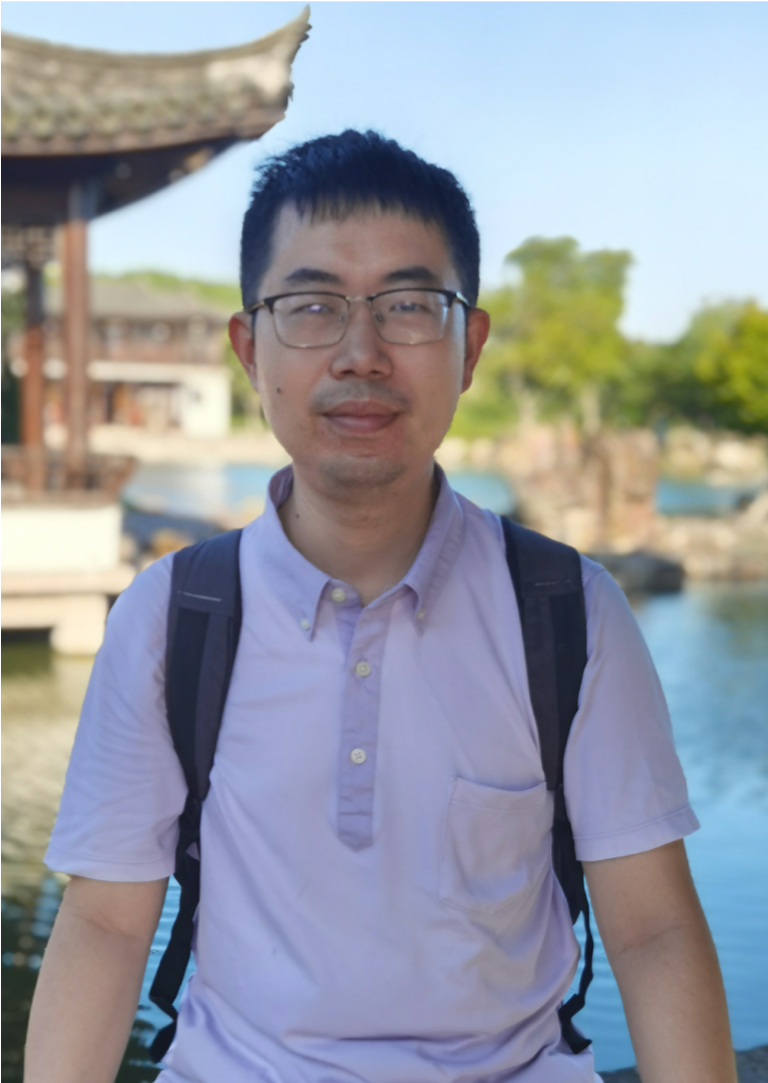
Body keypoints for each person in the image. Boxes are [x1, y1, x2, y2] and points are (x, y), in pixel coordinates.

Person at [25, 131, 736, 1083]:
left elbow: (651, 929)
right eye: (312, 306)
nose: (361, 354)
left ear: (468, 346)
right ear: (249, 348)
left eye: (407, 306)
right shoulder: (170, 617)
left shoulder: (569, 612)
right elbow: (108, 923)